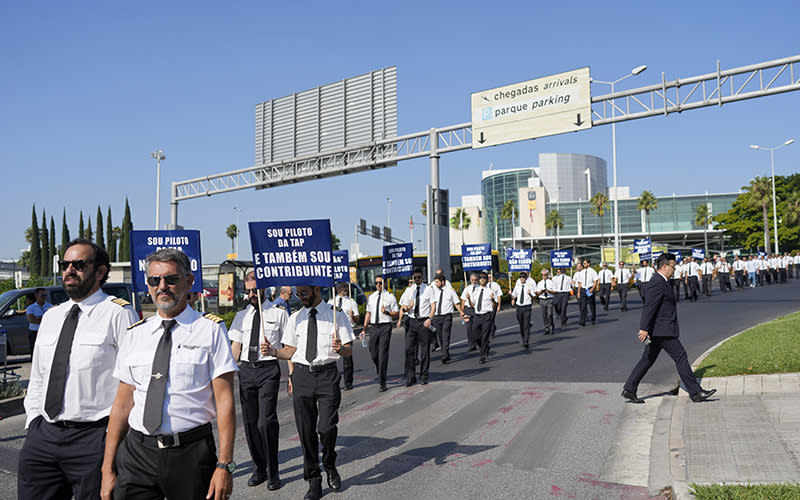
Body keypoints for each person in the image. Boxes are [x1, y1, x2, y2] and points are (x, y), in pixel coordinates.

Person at [101, 248, 238, 500]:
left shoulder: (210, 330)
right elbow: (122, 404)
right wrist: (107, 467)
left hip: (190, 453)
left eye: (171, 279)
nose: (162, 286)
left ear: (189, 281)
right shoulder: (134, 334)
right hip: (137, 453)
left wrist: (224, 465)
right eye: (155, 280)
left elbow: (225, 401)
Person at [19, 239, 138, 500]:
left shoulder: (118, 314)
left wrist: (112, 441)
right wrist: (34, 422)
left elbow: (131, 384)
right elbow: (38, 376)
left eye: (79, 264)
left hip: (93, 439)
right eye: (65, 264)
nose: (69, 270)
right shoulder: (52, 316)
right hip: (44, 436)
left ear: (100, 272)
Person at [262, 285, 354, 500]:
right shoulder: (295, 317)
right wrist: (273, 351)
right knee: (306, 432)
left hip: (327, 376)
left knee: (327, 427)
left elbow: (349, 351)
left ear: (315, 290)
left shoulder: (335, 315)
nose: (300, 297)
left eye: (304, 293)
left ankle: (330, 463)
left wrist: (340, 348)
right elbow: (289, 351)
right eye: (298, 294)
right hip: (302, 376)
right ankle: (313, 480)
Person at [621, 253, 717, 404]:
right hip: (661, 329)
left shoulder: (663, 281)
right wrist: (643, 328)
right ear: (665, 266)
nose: (675, 269)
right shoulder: (656, 283)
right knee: (680, 356)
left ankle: (629, 389)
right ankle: (696, 392)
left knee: (648, 359)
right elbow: (649, 307)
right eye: (673, 266)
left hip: (659, 329)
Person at [228, 271, 288, 490]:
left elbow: (288, 346)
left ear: (265, 288)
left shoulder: (279, 313)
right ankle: (259, 469)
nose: (253, 294)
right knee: (251, 424)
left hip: (268, 371)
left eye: (256, 289)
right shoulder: (240, 316)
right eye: (250, 290)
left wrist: (291, 375)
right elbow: (235, 348)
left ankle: (274, 472)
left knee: (266, 422)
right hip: (246, 372)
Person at [399, 269, 435, 385]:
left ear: (423, 277)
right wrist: (408, 308)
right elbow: (403, 307)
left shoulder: (428, 289)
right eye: (415, 278)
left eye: (419, 277)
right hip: (411, 321)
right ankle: (411, 376)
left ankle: (424, 375)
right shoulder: (409, 290)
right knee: (409, 350)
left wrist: (430, 318)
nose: (417, 279)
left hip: (424, 321)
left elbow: (433, 305)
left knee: (425, 350)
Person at [363, 276, 398, 391]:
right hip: (374, 327)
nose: (378, 285)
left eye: (380, 283)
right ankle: (380, 369)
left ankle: (382, 382)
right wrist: (364, 328)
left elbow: (396, 313)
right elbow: (368, 313)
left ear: (384, 283)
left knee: (383, 353)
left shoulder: (390, 297)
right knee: (373, 352)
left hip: (385, 326)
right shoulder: (371, 297)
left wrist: (387, 312)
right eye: (376, 283)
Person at [329, 283, 360, 391]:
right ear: (337, 288)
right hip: (334, 333)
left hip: (346, 332)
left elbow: (357, 319)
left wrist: (353, 316)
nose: (346, 289)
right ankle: (333, 381)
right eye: (343, 287)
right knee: (331, 358)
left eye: (347, 287)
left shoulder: (351, 302)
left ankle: (348, 382)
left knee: (347, 359)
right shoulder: (331, 302)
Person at [430, 273, 464, 363]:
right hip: (437, 317)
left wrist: (461, 312)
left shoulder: (450, 291)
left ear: (442, 282)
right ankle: (445, 352)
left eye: (437, 282)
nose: (436, 284)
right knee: (440, 336)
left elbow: (456, 303)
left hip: (447, 316)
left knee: (446, 334)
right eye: (435, 282)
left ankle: (445, 354)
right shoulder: (433, 291)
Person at [466, 271, 496, 364]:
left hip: (486, 316)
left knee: (484, 336)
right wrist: (468, 298)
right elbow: (472, 304)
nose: (482, 279)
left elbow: (494, 305)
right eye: (481, 277)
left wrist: (492, 299)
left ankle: (483, 356)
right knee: (475, 336)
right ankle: (485, 346)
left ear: (487, 280)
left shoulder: (490, 291)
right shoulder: (476, 290)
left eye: (484, 277)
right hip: (477, 316)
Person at [510, 271, 535, 347]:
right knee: (521, 323)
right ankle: (523, 336)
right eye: (520, 277)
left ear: (526, 278)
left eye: (523, 277)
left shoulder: (529, 286)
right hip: (519, 307)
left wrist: (530, 293)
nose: (521, 279)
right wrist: (512, 297)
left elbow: (534, 296)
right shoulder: (517, 286)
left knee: (526, 324)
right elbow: (514, 296)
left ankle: (526, 340)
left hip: (527, 306)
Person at [26, 287, 53, 354]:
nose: (44, 297)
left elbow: (51, 320)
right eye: (42, 295)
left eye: (45, 295)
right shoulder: (31, 307)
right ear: (36, 296)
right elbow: (32, 320)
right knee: (34, 351)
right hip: (34, 332)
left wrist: (38, 318)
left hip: (46, 332)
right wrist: (44, 318)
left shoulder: (50, 306)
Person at [574, 259, 598, 326]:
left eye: (585, 263)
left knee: (591, 304)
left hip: (589, 289)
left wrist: (593, 289)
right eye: (583, 263)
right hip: (583, 290)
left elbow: (595, 281)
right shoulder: (582, 272)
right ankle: (583, 320)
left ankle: (593, 318)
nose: (583, 265)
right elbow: (580, 282)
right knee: (583, 306)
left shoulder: (593, 271)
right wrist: (578, 292)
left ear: (589, 264)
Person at [460, 273, 479, 351]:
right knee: (469, 328)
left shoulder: (480, 288)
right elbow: (463, 301)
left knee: (476, 327)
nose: (474, 281)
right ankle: (472, 345)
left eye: (475, 280)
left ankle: (478, 341)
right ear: (470, 280)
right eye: (472, 280)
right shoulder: (467, 289)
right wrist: (462, 312)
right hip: (468, 309)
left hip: (477, 309)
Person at [535, 269, 556, 337]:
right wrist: (541, 291)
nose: (543, 276)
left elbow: (555, 292)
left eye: (545, 275)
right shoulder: (539, 283)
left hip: (549, 299)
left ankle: (551, 327)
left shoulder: (551, 282)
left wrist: (549, 291)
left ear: (547, 275)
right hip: (542, 299)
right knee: (544, 315)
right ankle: (546, 328)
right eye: (542, 275)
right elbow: (537, 293)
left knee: (549, 314)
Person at [487, 271, 503, 338]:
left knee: (491, 318)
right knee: (488, 319)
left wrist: (499, 306)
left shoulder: (496, 285)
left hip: (494, 304)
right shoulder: (485, 285)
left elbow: (499, 295)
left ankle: (491, 332)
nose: (489, 279)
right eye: (488, 277)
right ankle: (493, 327)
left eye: (490, 277)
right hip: (487, 304)